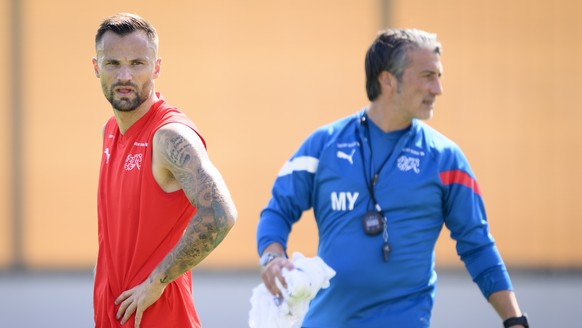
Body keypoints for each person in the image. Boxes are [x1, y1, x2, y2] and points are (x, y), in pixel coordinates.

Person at [256, 29, 529, 328]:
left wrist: (515, 320)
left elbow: (477, 246)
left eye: (438, 76)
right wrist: (273, 259)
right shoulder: (323, 145)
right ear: (387, 80)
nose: (437, 88)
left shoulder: (446, 158)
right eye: (427, 75)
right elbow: (278, 210)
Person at [92, 13, 237, 328]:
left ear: (156, 67)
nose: (125, 76)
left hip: (162, 318)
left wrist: (156, 282)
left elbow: (220, 213)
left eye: (138, 63)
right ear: (96, 68)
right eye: (113, 63)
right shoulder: (110, 131)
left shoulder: (169, 135)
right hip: (115, 316)